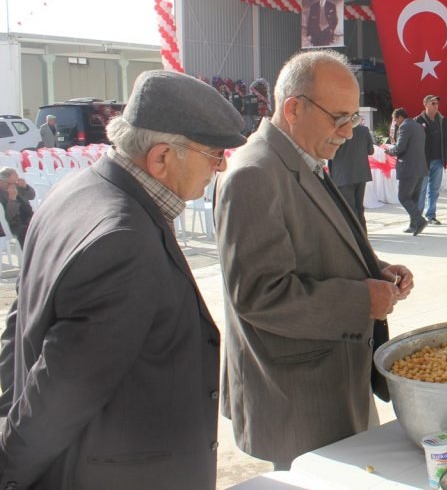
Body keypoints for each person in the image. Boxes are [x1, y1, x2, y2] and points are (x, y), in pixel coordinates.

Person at [0, 70, 246, 489]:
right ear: (162, 157)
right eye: (214, 153)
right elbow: (60, 393)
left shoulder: (74, 190)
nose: (221, 167)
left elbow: (17, 325)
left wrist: (5, 410)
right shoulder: (124, 240)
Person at [214, 50, 414, 470]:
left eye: (353, 119)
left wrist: (374, 270)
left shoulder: (301, 158)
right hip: (298, 393)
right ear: (293, 108)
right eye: (339, 118)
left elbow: (319, 242)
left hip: (335, 375)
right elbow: (259, 296)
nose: (347, 132)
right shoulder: (254, 174)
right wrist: (362, 300)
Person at [414, 95, 447, 225]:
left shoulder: (442, 120)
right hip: (423, 162)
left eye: (437, 103)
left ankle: (431, 216)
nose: (436, 106)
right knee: (421, 190)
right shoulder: (417, 121)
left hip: (438, 160)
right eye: (433, 103)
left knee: (434, 190)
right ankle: (418, 217)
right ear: (425, 104)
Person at [388, 107, 428, 235]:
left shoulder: (405, 127)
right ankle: (414, 224)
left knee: (404, 197)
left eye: (395, 120)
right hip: (420, 167)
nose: (395, 123)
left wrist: (390, 151)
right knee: (413, 198)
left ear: (400, 117)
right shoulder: (418, 126)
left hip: (408, 168)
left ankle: (419, 220)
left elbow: (400, 148)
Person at [329, 122, 374, 230]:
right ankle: (363, 233)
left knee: (349, 209)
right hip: (360, 174)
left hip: (343, 175)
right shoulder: (364, 130)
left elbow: (330, 152)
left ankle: (356, 237)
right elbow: (371, 151)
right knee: (359, 208)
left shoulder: (337, 129)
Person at [0, 168, 35, 247]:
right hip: (12, 225)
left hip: (28, 218)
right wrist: (12, 199)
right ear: (1, 182)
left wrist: (25, 187)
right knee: (27, 231)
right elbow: (7, 218)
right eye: (10, 183)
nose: (13, 185)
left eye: (15, 182)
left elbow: (32, 196)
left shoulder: (17, 187)